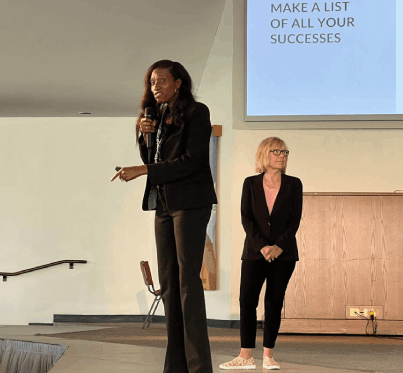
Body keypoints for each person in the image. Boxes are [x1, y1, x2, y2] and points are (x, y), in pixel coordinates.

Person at [112, 60, 217, 373]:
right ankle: (175, 366)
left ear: (178, 82)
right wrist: (145, 138)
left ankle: (199, 367)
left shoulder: (197, 113)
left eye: (161, 81)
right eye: (151, 82)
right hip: (164, 204)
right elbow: (154, 158)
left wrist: (143, 169)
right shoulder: (153, 116)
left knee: (188, 283)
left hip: (191, 203)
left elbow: (192, 161)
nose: (155, 87)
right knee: (170, 283)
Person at [219, 137, 303, 371]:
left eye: (285, 152)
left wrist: (278, 247)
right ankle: (245, 356)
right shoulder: (250, 183)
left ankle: (268, 356)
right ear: (264, 154)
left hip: (284, 254)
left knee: (274, 302)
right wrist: (263, 247)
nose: (282, 155)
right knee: (247, 301)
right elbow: (246, 218)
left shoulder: (294, 184)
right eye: (277, 151)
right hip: (255, 253)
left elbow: (294, 221)